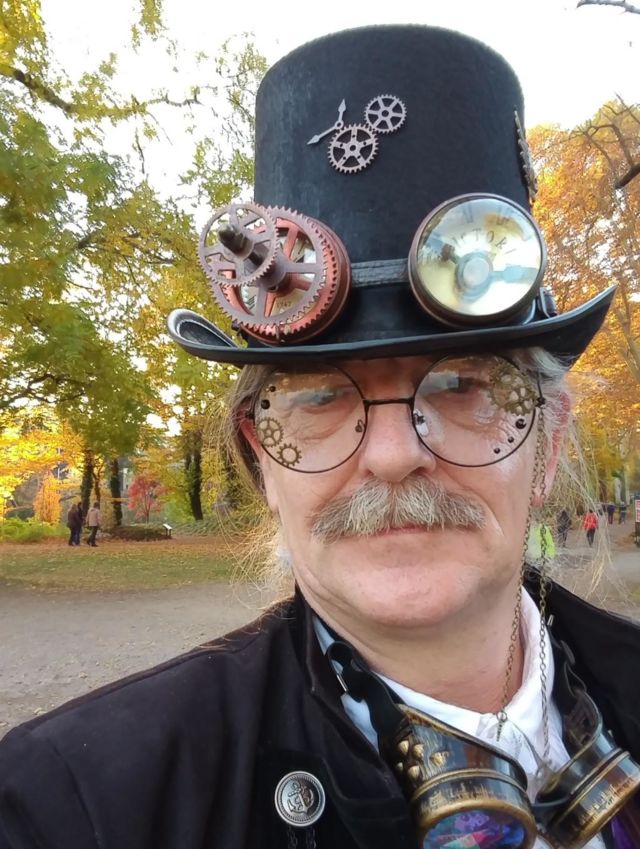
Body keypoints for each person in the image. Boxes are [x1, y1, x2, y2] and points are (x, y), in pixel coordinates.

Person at [1, 25, 639, 849]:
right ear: (262, 458)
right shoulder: (73, 808)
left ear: (546, 446)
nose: (394, 455)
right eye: (319, 398)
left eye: (462, 385)